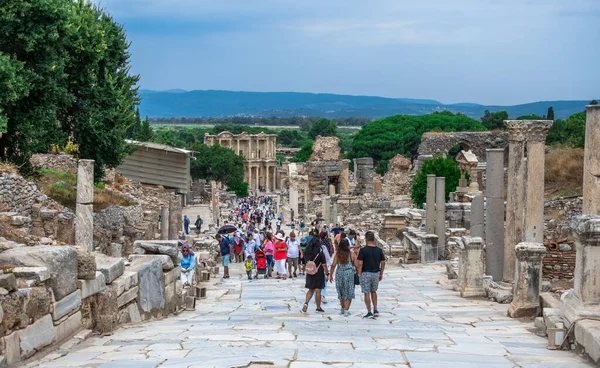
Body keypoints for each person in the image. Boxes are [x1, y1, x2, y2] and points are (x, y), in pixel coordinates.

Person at [356, 231, 386, 319]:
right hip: (376, 273)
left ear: (366, 239)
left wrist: (359, 273)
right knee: (374, 291)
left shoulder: (363, 250)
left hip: (365, 273)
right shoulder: (379, 250)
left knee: (366, 293)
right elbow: (383, 262)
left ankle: (369, 312)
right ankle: (375, 309)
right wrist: (381, 273)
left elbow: (360, 263)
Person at [301, 236, 329, 314]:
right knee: (318, 291)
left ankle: (306, 303)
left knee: (311, 289)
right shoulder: (320, 253)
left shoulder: (307, 252)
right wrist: (327, 273)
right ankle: (318, 307)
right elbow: (324, 265)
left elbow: (305, 262)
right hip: (318, 272)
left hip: (310, 272)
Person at [329, 238, 356, 316]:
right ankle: (346, 310)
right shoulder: (351, 254)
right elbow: (357, 264)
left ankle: (343, 308)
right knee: (349, 291)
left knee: (341, 291)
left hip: (339, 273)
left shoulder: (338, 254)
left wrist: (331, 275)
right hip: (349, 273)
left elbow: (333, 265)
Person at [319, 231, 332, 304]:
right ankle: (322, 295)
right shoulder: (324, 247)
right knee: (324, 281)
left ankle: (317, 296)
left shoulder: (312, 248)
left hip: (316, 268)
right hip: (323, 266)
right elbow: (327, 258)